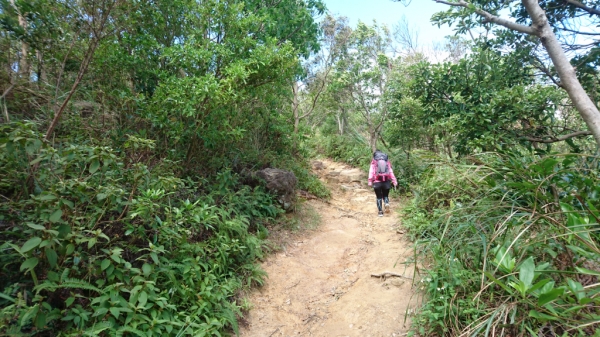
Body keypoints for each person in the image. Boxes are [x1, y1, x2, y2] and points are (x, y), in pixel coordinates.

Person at [368, 150, 398, 217]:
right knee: (386, 195)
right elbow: (390, 172)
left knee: (379, 197)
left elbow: (371, 172)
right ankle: (386, 203)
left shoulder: (374, 162)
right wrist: (394, 181)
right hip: (386, 182)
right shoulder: (386, 161)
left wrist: (370, 181)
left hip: (377, 182)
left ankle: (380, 212)